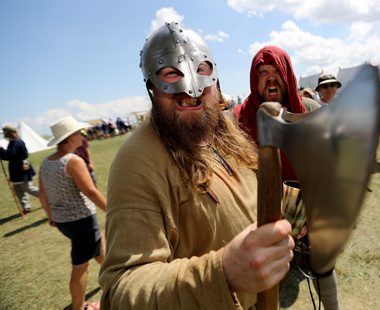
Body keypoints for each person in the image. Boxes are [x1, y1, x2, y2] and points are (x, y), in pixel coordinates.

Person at [98, 22, 294, 309]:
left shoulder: (224, 129)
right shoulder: (137, 161)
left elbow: (250, 192)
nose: (190, 88)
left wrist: (292, 203)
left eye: (200, 69)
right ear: (152, 86)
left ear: (215, 77)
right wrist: (222, 273)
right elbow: (122, 290)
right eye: (171, 74)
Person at [234, 45, 340, 310]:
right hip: (260, 216)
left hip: (309, 207)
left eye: (276, 71)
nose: (270, 78)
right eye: (262, 72)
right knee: (265, 282)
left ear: (288, 74)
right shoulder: (238, 120)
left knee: (323, 267)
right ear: (253, 78)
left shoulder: (310, 108)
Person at [38, 116, 107, 310]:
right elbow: (91, 191)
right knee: (80, 266)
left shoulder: (46, 162)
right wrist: (112, 210)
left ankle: (117, 276)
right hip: (81, 220)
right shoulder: (73, 161)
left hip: (63, 222)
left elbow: (43, 194)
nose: (82, 136)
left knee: (100, 249)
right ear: (69, 138)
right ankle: (79, 307)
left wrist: (51, 216)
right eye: (78, 133)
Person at [0, 125, 39, 214]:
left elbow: (10, 155)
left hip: (21, 169)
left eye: (6, 133)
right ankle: (26, 207)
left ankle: (48, 198)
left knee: (28, 188)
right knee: (18, 189)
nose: (5, 135)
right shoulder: (13, 142)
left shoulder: (17, 142)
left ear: (11, 132)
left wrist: (1, 151)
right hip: (16, 169)